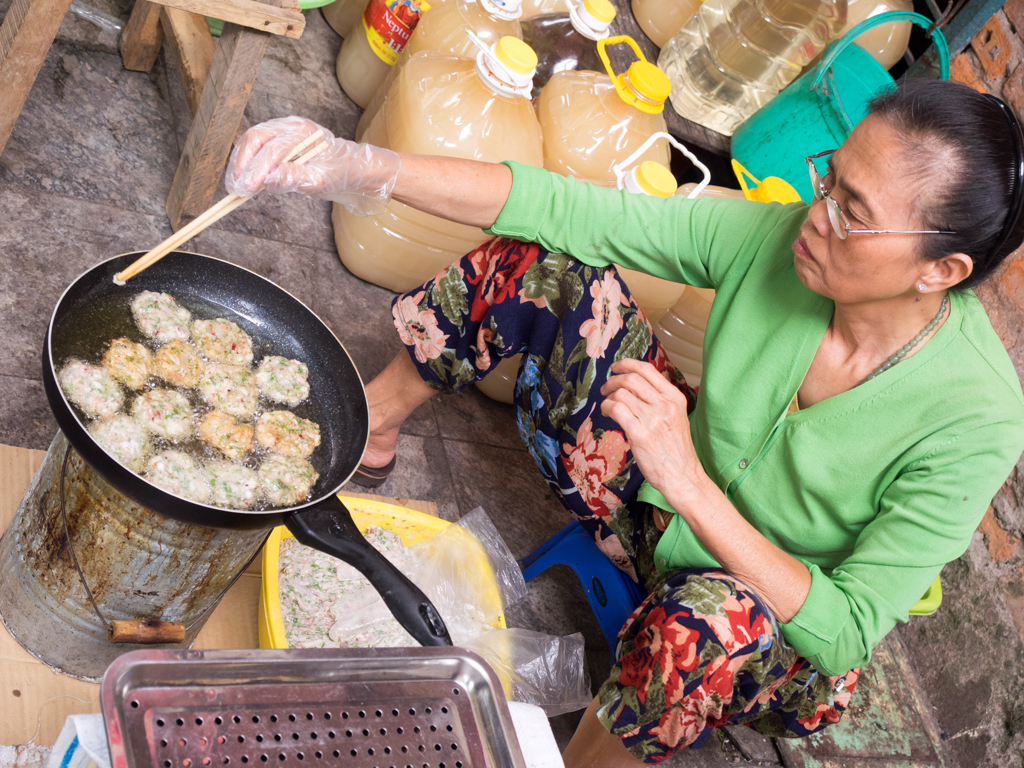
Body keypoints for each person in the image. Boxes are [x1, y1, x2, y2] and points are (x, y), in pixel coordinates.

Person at [226, 80, 1024, 766]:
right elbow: (566, 207)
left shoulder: (975, 417)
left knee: (701, 631)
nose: (816, 217)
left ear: (941, 271)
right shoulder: (781, 240)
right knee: (547, 262)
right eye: (830, 179)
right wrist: (362, 166)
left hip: (763, 625)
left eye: (853, 211)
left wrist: (688, 480)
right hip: (657, 507)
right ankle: (377, 422)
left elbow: (844, 631)